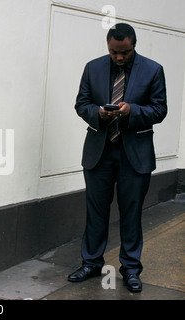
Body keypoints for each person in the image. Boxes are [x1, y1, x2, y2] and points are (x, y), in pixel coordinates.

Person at [69, 23, 167, 292]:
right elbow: (81, 103)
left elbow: (159, 110)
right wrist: (98, 114)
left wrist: (131, 111)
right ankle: (91, 263)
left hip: (134, 154)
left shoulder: (153, 70)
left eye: (125, 52)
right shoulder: (93, 67)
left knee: (131, 214)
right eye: (114, 52)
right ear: (108, 45)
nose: (119, 57)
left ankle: (131, 269)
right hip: (99, 152)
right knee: (96, 212)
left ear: (134, 45)